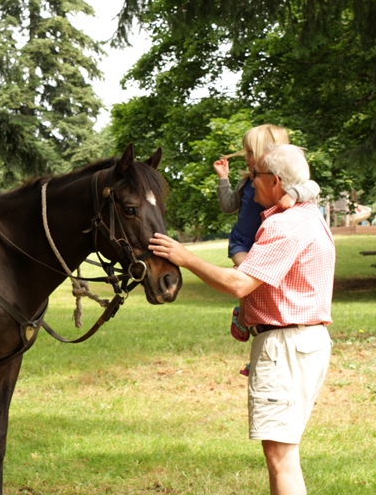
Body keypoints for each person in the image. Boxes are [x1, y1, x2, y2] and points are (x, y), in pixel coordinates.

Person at [150, 144, 334, 495]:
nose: (250, 183)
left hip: (287, 346)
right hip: (300, 342)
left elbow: (239, 283)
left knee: (280, 458)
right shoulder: (311, 215)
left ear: (276, 182)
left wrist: (185, 257)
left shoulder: (284, 226)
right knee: (285, 453)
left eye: (255, 177)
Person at [214, 125, 320, 347]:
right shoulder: (247, 182)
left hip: (267, 245)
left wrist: (293, 194)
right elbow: (228, 206)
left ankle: (256, 328)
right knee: (245, 279)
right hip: (243, 244)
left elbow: (312, 187)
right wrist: (223, 178)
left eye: (250, 153)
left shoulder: (287, 180)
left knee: (262, 290)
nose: (246, 158)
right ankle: (245, 319)